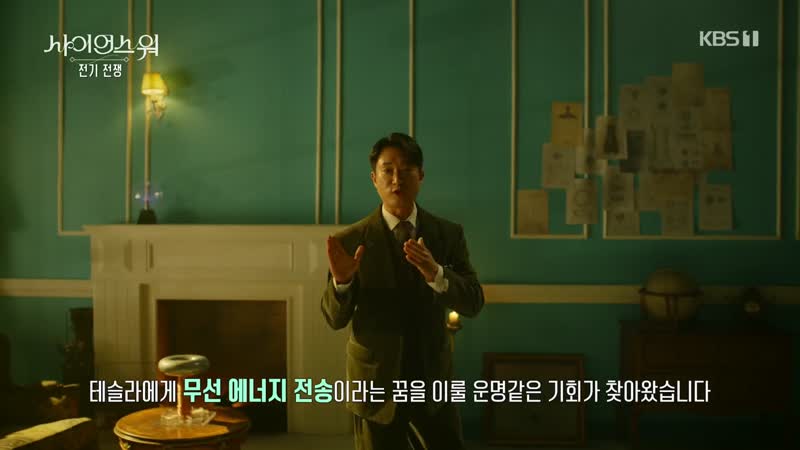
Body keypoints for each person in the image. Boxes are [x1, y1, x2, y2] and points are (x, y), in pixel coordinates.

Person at [320, 132, 484, 450]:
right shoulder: (349, 240)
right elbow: (333, 318)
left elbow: (474, 302)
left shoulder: (448, 234)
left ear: (421, 176)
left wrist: (437, 274)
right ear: (374, 178)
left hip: (432, 379)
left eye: (407, 169)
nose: (397, 179)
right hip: (374, 382)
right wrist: (342, 283)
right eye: (388, 170)